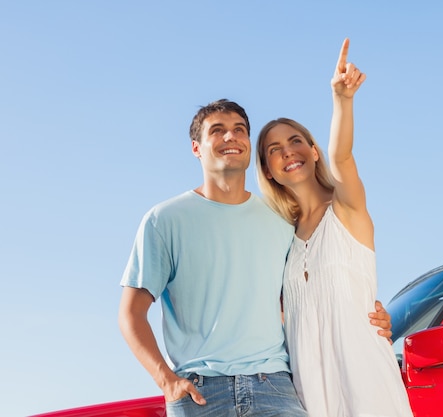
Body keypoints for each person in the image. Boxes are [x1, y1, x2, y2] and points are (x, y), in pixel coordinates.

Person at [118, 97, 392, 417]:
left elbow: (306, 289)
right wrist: (166, 381)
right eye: (217, 131)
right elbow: (131, 314)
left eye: (239, 130)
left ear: (248, 145)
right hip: (202, 394)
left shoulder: (281, 221)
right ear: (196, 148)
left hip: (276, 388)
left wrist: (368, 312)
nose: (230, 137)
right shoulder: (163, 220)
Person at [256, 38, 413, 416]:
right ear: (268, 170)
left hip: (366, 385)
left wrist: (342, 100)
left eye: (296, 141)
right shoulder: (281, 239)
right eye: (274, 149)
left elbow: (342, 156)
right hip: (308, 393)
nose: (287, 151)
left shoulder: (347, 206)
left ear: (313, 150)